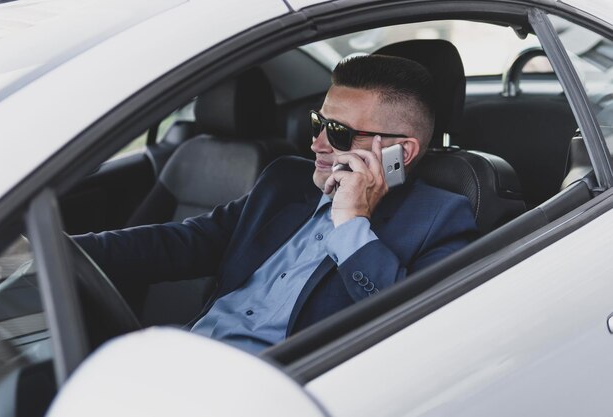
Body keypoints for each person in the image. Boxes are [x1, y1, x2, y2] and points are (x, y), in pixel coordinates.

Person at [75, 55, 477, 354]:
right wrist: (57, 252)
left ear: (400, 151)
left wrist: (352, 222)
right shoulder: (284, 181)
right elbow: (182, 242)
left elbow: (416, 333)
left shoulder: (441, 217)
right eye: (318, 122)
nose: (316, 143)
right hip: (187, 355)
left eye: (336, 132)